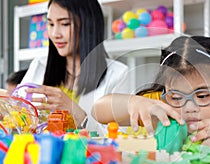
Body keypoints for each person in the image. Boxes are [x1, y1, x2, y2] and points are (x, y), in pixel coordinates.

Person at [92, 35, 210, 151]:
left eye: (202, 96)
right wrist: (133, 103)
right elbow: (98, 110)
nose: (189, 108)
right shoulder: (160, 107)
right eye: (176, 97)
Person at [20, 0, 129, 133]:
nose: (55, 34)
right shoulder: (39, 66)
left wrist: (78, 116)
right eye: (50, 23)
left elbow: (119, 141)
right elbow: (19, 114)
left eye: (65, 24)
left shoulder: (117, 74)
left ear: (88, 25)